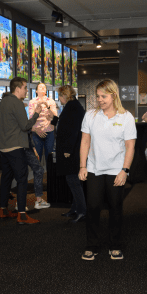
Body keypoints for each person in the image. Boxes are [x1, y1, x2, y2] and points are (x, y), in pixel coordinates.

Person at [79, 79, 136, 260]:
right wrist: (83, 166)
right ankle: (92, 245)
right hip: (95, 169)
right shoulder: (90, 115)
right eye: (98, 96)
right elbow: (85, 142)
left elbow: (130, 146)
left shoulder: (125, 117)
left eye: (103, 96)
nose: (100, 99)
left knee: (115, 208)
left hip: (116, 170)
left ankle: (115, 245)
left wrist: (124, 170)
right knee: (93, 207)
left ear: (113, 95)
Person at [0, 77, 43, 224]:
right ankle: (22, 215)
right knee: (22, 179)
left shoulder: (4, 101)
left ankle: (3, 209)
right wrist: (36, 113)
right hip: (15, 147)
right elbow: (25, 126)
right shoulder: (16, 103)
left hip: (3, 147)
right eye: (24, 87)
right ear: (17, 88)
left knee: (6, 178)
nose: (26, 90)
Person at [55, 85, 86, 223]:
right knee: (72, 180)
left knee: (73, 181)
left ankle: (81, 211)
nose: (59, 99)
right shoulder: (73, 106)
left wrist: (67, 149)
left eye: (59, 96)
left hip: (71, 150)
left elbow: (73, 130)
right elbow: (65, 124)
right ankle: (75, 208)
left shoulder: (73, 107)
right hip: (72, 149)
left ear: (64, 95)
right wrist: (53, 119)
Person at [28, 82, 58, 209]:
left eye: (44, 87)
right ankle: (38, 197)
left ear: (46, 91)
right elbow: (30, 119)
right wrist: (37, 130)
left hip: (49, 133)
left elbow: (55, 117)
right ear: (36, 91)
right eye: (40, 87)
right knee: (37, 165)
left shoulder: (51, 101)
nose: (42, 88)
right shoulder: (32, 102)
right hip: (36, 134)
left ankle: (53, 194)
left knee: (51, 162)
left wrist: (48, 107)